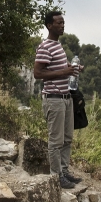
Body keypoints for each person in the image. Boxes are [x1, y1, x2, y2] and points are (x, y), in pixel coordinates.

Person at [33, 11, 83, 188]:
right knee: (55, 141)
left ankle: (64, 171)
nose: (62, 25)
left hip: (66, 97)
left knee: (67, 138)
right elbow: (38, 73)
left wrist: (72, 68)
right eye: (59, 23)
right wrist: (64, 72)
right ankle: (56, 176)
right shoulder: (45, 46)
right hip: (53, 99)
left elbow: (57, 68)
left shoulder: (57, 45)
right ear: (49, 26)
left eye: (63, 22)